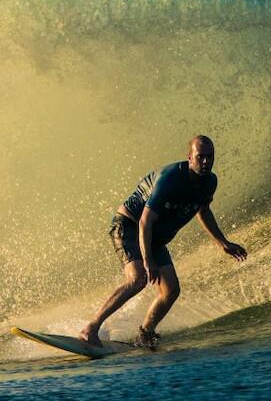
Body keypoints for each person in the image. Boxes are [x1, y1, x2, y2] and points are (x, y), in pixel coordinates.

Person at [80, 135, 247, 350]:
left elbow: (202, 211)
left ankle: (145, 334)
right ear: (190, 158)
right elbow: (144, 222)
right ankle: (90, 328)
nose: (206, 162)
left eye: (209, 157)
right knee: (138, 278)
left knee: (171, 290)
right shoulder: (170, 179)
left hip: (155, 238)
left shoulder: (210, 182)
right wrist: (148, 262)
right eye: (200, 157)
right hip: (130, 227)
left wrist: (222, 242)